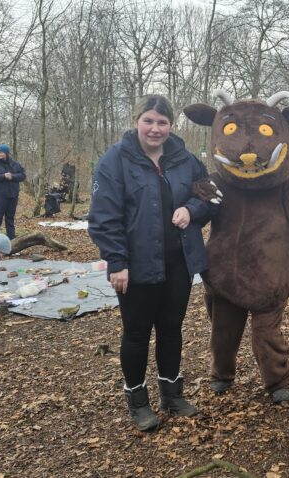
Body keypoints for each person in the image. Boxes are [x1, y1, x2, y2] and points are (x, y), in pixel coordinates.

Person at [88, 94, 215, 431]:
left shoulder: (185, 159)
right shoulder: (114, 161)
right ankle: (138, 402)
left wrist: (192, 209)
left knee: (172, 330)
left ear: (171, 126)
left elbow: (209, 196)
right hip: (136, 266)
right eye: (149, 121)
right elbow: (103, 217)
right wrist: (116, 262)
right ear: (136, 122)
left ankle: (172, 395)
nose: (155, 129)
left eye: (162, 122)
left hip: (179, 264)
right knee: (136, 334)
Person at [0, 143, 26, 238]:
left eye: (1, 152)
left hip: (13, 194)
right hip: (0, 195)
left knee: (10, 218)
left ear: (7, 153)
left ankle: (12, 240)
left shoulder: (15, 164)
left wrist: (12, 176)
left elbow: (23, 175)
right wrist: (3, 176)